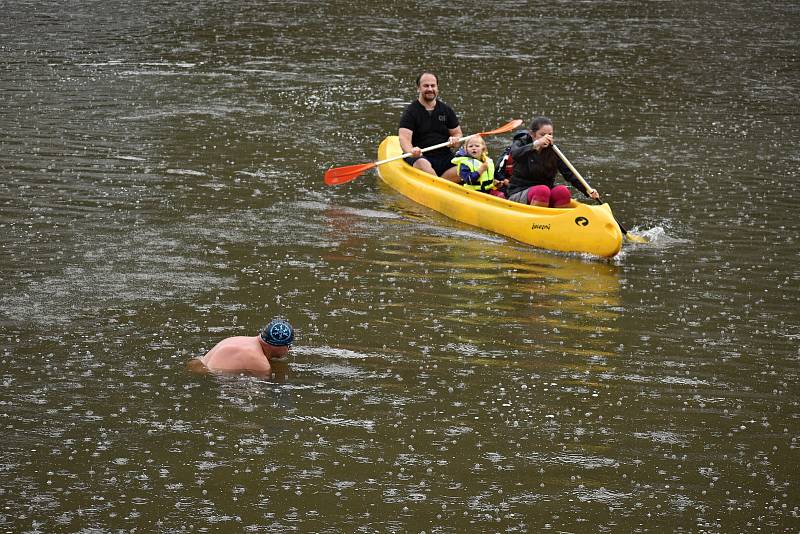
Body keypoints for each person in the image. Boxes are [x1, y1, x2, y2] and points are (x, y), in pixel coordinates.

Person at [506, 116, 600, 207]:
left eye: (550, 134)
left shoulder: (554, 150)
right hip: (519, 191)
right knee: (542, 191)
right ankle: (537, 220)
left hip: (545, 192)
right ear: (532, 134)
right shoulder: (521, 144)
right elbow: (515, 154)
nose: (547, 138)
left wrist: (586, 190)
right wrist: (536, 144)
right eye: (542, 135)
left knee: (562, 192)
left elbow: (569, 173)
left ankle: (557, 221)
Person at [398, 71, 463, 182]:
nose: (430, 89)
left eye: (433, 86)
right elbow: (404, 138)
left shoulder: (446, 110)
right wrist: (411, 150)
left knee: (466, 168)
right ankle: (441, 184)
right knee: (422, 163)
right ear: (418, 88)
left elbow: (457, 133)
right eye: (426, 86)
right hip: (420, 156)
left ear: (437, 88)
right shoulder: (410, 112)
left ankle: (438, 183)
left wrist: (455, 140)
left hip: (444, 156)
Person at [187, 318, 294, 376]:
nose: (289, 349)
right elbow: (263, 389)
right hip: (207, 378)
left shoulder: (239, 339)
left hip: (195, 365)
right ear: (277, 346)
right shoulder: (259, 361)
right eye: (288, 345)